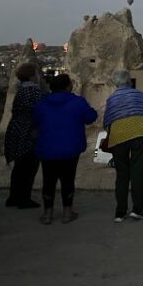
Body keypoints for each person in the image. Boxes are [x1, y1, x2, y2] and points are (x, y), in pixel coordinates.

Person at [33, 74, 97, 224]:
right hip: (70, 148)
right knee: (68, 180)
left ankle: (48, 214)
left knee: (48, 181)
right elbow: (90, 118)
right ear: (68, 86)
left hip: (47, 148)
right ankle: (67, 213)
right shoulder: (77, 102)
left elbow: (35, 121)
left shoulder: (41, 104)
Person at [104, 69, 143, 222]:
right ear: (129, 81)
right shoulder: (139, 94)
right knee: (138, 172)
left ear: (116, 83)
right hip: (140, 134)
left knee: (122, 175)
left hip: (119, 137)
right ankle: (137, 210)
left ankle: (120, 212)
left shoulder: (112, 98)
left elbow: (108, 120)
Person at [4, 63, 46, 209]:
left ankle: (14, 197)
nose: (38, 76)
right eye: (36, 74)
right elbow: (40, 111)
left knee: (19, 166)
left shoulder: (20, 90)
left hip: (16, 129)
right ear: (31, 76)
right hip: (29, 131)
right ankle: (24, 199)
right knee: (30, 166)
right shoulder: (34, 91)